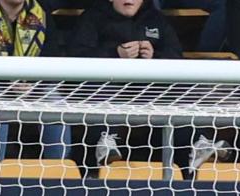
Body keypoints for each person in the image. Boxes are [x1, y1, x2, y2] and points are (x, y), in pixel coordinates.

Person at [69, 0, 183, 166]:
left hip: (148, 92)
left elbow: (178, 59)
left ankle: (196, 144)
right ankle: (105, 142)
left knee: (180, 90)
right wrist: (116, 53)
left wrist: (154, 56)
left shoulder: (156, 19)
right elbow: (77, 56)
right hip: (106, 87)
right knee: (97, 87)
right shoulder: (93, 17)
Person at [0, 0, 70, 176]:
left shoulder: (42, 15)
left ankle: (58, 172)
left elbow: (52, 58)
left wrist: (33, 83)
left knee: (55, 101)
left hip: (34, 84)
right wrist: (8, 82)